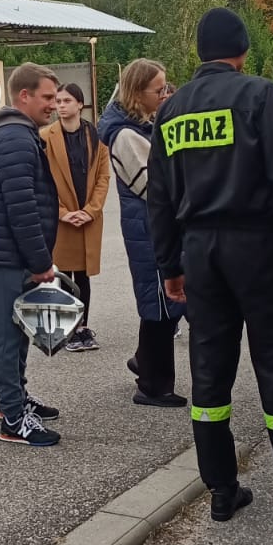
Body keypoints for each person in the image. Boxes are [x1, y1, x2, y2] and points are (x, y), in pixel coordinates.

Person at [148, 8, 273, 529]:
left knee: (209, 371)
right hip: (256, 247)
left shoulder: (171, 110)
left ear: (200, 52)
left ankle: (222, 491)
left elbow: (159, 196)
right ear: (243, 50)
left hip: (199, 252)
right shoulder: (259, 94)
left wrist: (169, 263)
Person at [0, 63, 63, 446]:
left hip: (6, 251)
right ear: (24, 95)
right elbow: (22, 209)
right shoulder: (15, 138)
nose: (53, 104)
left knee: (19, 330)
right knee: (6, 337)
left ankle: (16, 399)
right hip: (2, 254)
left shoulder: (16, 133)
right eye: (47, 97)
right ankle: (13, 417)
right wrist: (40, 262)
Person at [98, 59, 188, 408]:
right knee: (160, 305)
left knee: (159, 301)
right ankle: (153, 386)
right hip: (150, 228)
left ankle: (144, 362)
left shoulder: (139, 126)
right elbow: (154, 187)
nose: (165, 94)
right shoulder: (125, 135)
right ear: (138, 93)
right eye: (159, 89)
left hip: (151, 225)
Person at [42, 83, 109, 352]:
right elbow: (42, 181)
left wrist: (90, 210)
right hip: (61, 217)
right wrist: (62, 213)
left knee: (83, 275)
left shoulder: (96, 136)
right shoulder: (46, 136)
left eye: (67, 100)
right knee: (62, 274)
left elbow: (103, 178)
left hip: (87, 217)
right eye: (58, 101)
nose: (60, 105)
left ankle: (83, 328)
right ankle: (68, 330)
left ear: (80, 104)